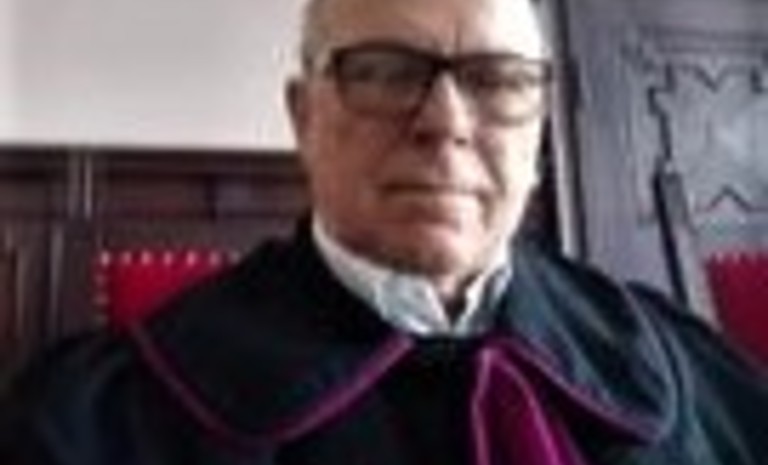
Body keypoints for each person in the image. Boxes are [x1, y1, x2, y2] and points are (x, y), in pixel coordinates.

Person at [2, 0, 768, 463]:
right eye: (382, 71)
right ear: (303, 117)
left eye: (498, 80)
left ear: (537, 131)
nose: (445, 122)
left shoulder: (675, 362)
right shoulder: (102, 419)